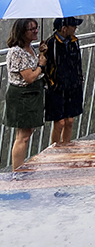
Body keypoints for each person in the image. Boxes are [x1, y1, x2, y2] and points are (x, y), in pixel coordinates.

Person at [4, 19, 47, 170]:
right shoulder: (17, 52)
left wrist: (41, 53)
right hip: (23, 95)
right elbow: (29, 77)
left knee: (27, 133)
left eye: (36, 28)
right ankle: (17, 170)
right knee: (22, 136)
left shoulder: (29, 48)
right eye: (32, 29)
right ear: (22, 32)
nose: (35, 31)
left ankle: (20, 167)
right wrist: (41, 65)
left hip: (31, 94)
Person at [44, 17, 84, 144]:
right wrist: (52, 84)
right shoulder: (51, 44)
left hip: (73, 85)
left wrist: (78, 78)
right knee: (59, 122)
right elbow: (46, 66)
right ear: (64, 28)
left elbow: (78, 62)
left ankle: (66, 146)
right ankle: (55, 150)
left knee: (70, 121)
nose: (75, 28)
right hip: (57, 88)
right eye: (73, 26)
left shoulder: (73, 41)